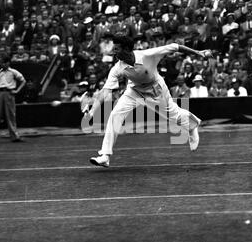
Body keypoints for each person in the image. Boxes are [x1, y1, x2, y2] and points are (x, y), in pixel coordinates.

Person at [85, 35, 211, 167]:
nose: (113, 52)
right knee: (115, 114)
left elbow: (175, 47)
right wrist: (92, 111)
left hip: (156, 89)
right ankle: (105, 156)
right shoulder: (117, 68)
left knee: (174, 115)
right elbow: (105, 91)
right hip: (134, 91)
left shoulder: (147, 55)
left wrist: (198, 53)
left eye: (117, 49)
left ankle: (192, 126)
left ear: (127, 49)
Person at [0, 56, 26, 143]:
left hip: (9, 93)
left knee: (11, 114)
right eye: (1, 62)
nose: (3, 64)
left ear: (8, 63)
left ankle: (15, 136)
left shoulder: (13, 71)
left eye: (5, 62)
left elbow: (23, 81)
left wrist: (17, 91)